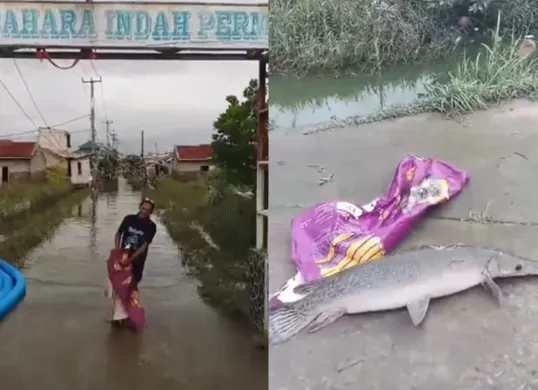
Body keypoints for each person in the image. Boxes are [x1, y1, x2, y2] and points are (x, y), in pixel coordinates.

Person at [114, 198, 157, 286]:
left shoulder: (151, 226)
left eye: (147, 210)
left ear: (151, 212)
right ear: (140, 207)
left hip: (137, 260)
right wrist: (117, 250)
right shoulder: (129, 219)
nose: (144, 211)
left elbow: (144, 246)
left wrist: (130, 260)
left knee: (132, 284)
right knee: (118, 282)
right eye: (143, 208)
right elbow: (118, 233)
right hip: (123, 255)